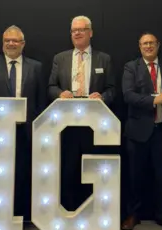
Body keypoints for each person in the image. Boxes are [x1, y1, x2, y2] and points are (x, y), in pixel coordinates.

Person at [0, 25, 46, 222]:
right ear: (2, 43)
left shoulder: (36, 67)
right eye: (7, 40)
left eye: (15, 41)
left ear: (23, 44)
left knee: (23, 174)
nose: (11, 44)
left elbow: (41, 101)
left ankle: (21, 216)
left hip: (26, 131)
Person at [48, 15, 116, 211]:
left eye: (81, 29)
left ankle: (93, 213)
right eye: (73, 30)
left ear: (90, 32)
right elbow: (50, 87)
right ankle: (68, 213)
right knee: (68, 170)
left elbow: (113, 89)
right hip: (66, 125)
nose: (77, 33)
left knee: (93, 170)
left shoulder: (105, 58)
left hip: (94, 126)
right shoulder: (60, 58)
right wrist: (61, 93)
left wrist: (102, 97)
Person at [121, 32, 162, 230]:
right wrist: (154, 100)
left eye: (151, 43)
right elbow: (128, 96)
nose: (148, 46)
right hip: (137, 131)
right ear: (139, 47)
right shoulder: (131, 67)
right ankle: (133, 214)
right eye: (144, 44)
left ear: (158, 45)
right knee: (135, 176)